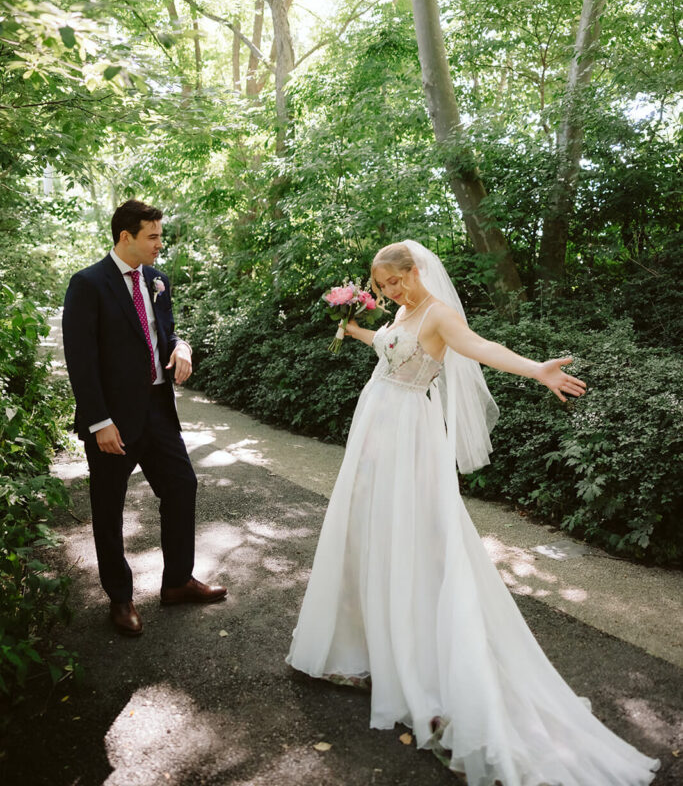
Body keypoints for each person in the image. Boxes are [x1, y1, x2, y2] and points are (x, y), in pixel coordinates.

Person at [287, 241, 659, 785]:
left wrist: (537, 370)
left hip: (411, 435)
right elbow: (390, 348)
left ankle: (425, 657)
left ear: (413, 271)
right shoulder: (401, 312)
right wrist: (355, 329)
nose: (387, 292)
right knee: (368, 533)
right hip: (375, 431)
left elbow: (479, 347)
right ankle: (366, 647)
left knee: (420, 538)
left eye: (393, 282)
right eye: (380, 286)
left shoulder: (438, 313)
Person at [62, 199, 226, 637]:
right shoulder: (88, 284)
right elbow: (81, 359)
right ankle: (120, 598)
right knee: (108, 508)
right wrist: (99, 422)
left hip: (158, 410)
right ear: (125, 237)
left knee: (181, 485)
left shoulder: (157, 280)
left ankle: (176, 582)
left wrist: (183, 348)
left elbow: (165, 335)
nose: (160, 244)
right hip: (113, 419)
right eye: (152, 236)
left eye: (159, 235)